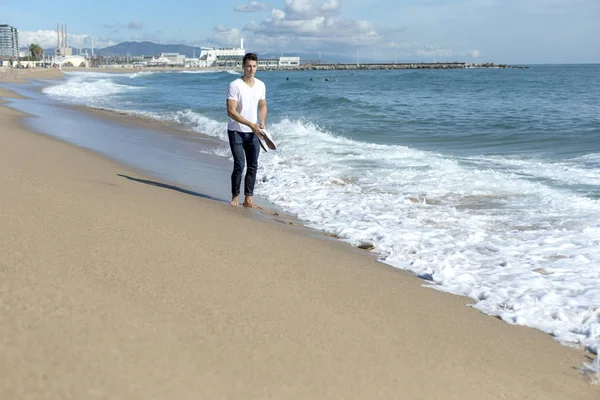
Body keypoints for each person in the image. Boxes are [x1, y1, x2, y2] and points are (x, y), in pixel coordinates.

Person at [226, 53, 268, 208]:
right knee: (239, 165)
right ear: (243, 66)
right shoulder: (235, 85)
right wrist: (251, 124)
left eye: (254, 66)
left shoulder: (261, 85)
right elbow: (231, 111)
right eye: (249, 66)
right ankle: (235, 197)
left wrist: (261, 120)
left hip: (254, 132)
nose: (252, 69)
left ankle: (248, 200)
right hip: (236, 131)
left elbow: (262, 106)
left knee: (253, 165)